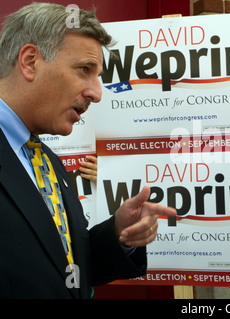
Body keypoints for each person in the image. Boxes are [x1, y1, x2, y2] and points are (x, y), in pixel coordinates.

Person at [0, 3, 176, 298]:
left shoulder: (46, 161)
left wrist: (119, 235)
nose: (96, 93)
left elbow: (61, 264)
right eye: (85, 70)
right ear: (30, 62)